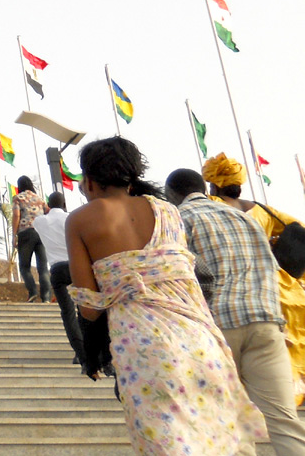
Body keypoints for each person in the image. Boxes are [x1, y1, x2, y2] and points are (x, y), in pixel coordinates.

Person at [66, 136, 262, 455]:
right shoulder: (169, 211)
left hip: (147, 350)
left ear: (88, 181)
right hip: (202, 341)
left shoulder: (81, 219)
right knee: (215, 440)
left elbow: (88, 308)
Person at [167, 167, 305, 456]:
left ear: (172, 195)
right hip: (265, 323)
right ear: (205, 189)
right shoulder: (247, 219)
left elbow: (189, 275)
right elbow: (270, 268)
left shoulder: (178, 220)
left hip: (218, 331)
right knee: (284, 421)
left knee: (231, 422)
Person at [204, 153, 305, 405]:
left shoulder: (210, 204)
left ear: (213, 183)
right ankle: (288, 393)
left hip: (235, 285)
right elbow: (298, 229)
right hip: (277, 285)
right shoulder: (261, 209)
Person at [31, 191, 83, 365]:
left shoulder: (41, 221)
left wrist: (45, 209)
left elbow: (37, 218)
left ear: (48, 205)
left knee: (68, 312)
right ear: (65, 204)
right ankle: (92, 348)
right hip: (77, 266)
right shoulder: (72, 218)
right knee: (84, 309)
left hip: (58, 269)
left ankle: (79, 352)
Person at [12, 175, 52, 303]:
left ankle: (33, 292)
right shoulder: (39, 198)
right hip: (41, 233)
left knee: (24, 266)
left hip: (26, 233)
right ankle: (46, 297)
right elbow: (48, 211)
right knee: (43, 268)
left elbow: (16, 215)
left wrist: (14, 234)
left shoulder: (18, 198)